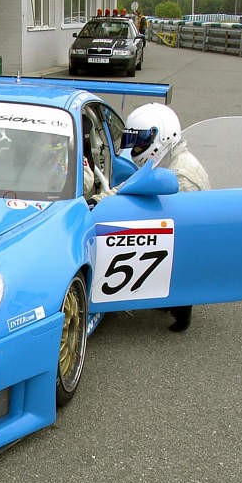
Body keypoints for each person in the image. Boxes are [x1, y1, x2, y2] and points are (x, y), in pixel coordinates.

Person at [91, 103, 210, 332]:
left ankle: (180, 304)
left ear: (163, 136)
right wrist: (98, 200)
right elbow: (129, 187)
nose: (136, 149)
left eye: (141, 142)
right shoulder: (164, 160)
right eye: (134, 142)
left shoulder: (183, 174)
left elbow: (184, 229)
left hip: (185, 243)